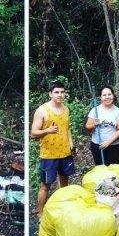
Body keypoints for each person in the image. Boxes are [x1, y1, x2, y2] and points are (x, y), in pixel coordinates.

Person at [30, 81, 75, 218]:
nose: (60, 95)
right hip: (49, 155)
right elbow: (33, 133)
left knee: (64, 183)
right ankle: (41, 214)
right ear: (50, 94)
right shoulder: (43, 110)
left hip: (65, 153)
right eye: (56, 92)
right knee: (45, 185)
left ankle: (62, 208)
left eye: (62, 92)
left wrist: (71, 143)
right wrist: (48, 130)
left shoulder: (66, 109)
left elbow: (67, 128)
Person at [84, 86, 119, 166]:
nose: (107, 97)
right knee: (100, 169)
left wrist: (108, 142)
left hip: (113, 145)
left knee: (113, 170)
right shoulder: (95, 110)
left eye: (109, 94)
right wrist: (94, 125)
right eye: (104, 95)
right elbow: (87, 127)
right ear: (100, 97)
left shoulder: (118, 112)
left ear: (113, 95)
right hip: (97, 145)